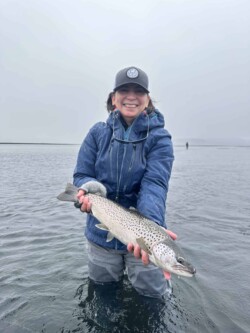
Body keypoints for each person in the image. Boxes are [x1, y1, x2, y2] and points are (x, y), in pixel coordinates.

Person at [73, 66, 176, 299]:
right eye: (124, 90)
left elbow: (155, 184)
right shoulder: (97, 133)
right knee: (102, 291)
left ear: (148, 99)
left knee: (153, 295)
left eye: (138, 91)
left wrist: (151, 230)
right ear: (113, 98)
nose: (131, 96)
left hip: (142, 239)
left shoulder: (160, 139)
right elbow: (81, 174)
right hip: (100, 233)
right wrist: (89, 189)